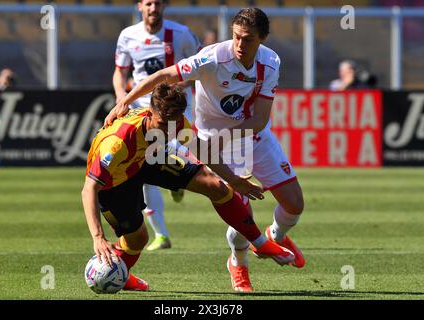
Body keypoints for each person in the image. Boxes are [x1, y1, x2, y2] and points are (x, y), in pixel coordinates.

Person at [104, 8, 306, 293]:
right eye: (236, 36)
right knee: (239, 207)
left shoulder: (270, 62)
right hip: (212, 140)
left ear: (262, 39)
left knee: (295, 203)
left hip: (253, 136)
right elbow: (165, 75)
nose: (239, 44)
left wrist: (225, 138)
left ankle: (276, 234)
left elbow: (259, 119)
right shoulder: (212, 57)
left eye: (247, 39)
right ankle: (238, 263)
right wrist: (126, 100)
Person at [82, 83, 294, 291]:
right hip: (115, 182)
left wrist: (234, 179)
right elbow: (89, 188)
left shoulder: (174, 122)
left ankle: (258, 241)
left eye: (172, 124)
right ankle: (121, 274)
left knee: (215, 185)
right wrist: (98, 238)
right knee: (138, 239)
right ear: (149, 113)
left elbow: (200, 149)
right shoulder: (116, 144)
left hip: (147, 157)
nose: (168, 131)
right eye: (162, 124)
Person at [113, 0, 201, 251]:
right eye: (148, 3)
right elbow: (120, 71)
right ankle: (161, 234)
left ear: (165, 5)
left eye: (158, 3)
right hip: (144, 113)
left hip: (175, 111)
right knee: (145, 169)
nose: (153, 8)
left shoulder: (181, 34)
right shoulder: (128, 36)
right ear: (140, 5)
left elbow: (203, 66)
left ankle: (178, 181)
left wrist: (180, 86)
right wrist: (122, 98)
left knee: (179, 160)